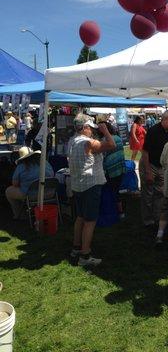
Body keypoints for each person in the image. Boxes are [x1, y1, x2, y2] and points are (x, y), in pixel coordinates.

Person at [68, 114, 115, 267]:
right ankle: (85, 255)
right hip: (90, 184)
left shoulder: (72, 140)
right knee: (90, 220)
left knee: (80, 217)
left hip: (77, 184)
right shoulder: (88, 142)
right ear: (85, 128)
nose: (92, 132)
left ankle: (76, 248)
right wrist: (106, 131)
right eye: (91, 129)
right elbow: (112, 145)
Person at [139, 110, 168, 226]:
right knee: (148, 194)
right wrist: (148, 171)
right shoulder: (153, 131)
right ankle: (148, 220)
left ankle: (157, 218)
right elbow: (145, 152)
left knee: (160, 193)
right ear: (165, 119)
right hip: (149, 164)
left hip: (160, 166)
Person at [5, 147, 54, 220]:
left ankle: (18, 214)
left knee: (8, 191)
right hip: (50, 193)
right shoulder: (45, 163)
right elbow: (52, 174)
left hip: (31, 195)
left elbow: (15, 184)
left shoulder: (21, 167)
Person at [98, 122, 126, 219]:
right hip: (120, 167)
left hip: (110, 170)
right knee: (116, 190)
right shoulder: (118, 138)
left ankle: (112, 211)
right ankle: (120, 211)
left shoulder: (105, 140)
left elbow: (102, 156)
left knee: (110, 191)